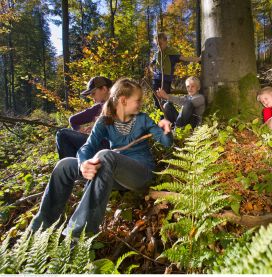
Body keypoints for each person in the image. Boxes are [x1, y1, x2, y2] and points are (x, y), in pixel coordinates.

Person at [30, 78, 173, 237]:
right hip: (112, 175)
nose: (140, 103)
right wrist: (83, 163)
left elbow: (166, 143)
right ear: (123, 100)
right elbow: (87, 147)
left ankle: (77, 236)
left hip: (140, 174)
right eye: (137, 100)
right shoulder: (105, 120)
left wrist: (166, 129)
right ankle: (39, 228)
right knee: (64, 165)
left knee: (104, 155)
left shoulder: (143, 119)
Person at [56, 76, 112, 159]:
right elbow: (73, 120)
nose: (93, 98)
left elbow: (73, 120)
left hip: (108, 148)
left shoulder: (108, 106)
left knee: (62, 134)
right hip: (104, 145)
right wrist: (89, 129)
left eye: (93, 93)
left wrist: (93, 129)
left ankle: (71, 169)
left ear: (104, 89)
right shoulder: (100, 106)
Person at [149, 32, 201, 110]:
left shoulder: (172, 52)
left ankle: (167, 115)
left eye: (160, 43)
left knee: (165, 98)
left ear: (166, 41)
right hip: (156, 79)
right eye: (157, 44)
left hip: (166, 80)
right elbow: (151, 64)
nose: (158, 46)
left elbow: (184, 58)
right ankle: (159, 117)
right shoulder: (157, 54)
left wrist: (197, 59)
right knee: (156, 97)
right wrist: (151, 69)